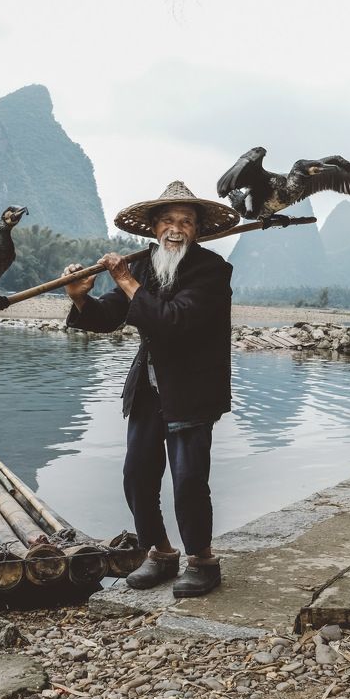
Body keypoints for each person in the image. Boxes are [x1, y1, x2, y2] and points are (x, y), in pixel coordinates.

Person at [64, 181, 239, 598]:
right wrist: (80, 299)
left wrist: (125, 280)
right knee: (137, 474)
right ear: (153, 228)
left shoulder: (213, 272)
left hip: (193, 391)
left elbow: (174, 320)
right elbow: (109, 316)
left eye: (186, 222)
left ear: (197, 230)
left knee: (188, 479)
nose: (175, 229)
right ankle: (160, 553)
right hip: (149, 388)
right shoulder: (144, 265)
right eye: (167, 221)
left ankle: (202, 560)